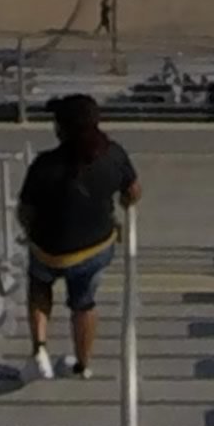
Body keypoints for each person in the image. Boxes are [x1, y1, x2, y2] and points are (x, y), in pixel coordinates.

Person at [16, 94, 139, 380]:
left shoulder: (43, 165)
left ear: (62, 129)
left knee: (39, 288)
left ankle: (39, 351)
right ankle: (83, 365)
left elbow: (24, 211)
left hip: (47, 249)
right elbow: (133, 193)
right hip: (93, 249)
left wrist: (31, 233)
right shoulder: (114, 156)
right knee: (83, 302)